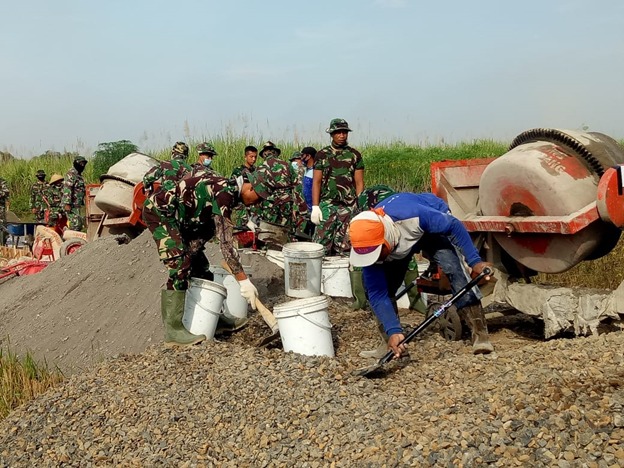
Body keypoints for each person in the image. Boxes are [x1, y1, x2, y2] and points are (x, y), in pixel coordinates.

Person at [348, 192, 495, 358]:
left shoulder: (413, 215)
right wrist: (393, 330)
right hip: (399, 242)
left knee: (454, 269)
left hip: (428, 230)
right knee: (380, 287)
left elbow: (454, 225)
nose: (373, 259)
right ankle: (392, 342)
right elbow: (377, 294)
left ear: (385, 239)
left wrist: (475, 261)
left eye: (377, 253)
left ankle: (481, 336)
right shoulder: (369, 246)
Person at [143, 170, 260, 347]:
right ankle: (173, 331)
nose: (257, 202)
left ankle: (215, 317)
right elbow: (226, 244)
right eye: (257, 197)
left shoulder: (230, 193)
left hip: (185, 219)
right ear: (249, 187)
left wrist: (194, 250)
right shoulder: (225, 193)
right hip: (161, 212)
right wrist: (243, 281)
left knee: (200, 266)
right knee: (180, 264)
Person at [311, 118, 365, 256]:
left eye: (344, 132)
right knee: (320, 246)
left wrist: (360, 205)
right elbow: (316, 181)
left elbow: (359, 182)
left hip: (348, 206)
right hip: (327, 205)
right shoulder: (322, 155)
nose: (342, 135)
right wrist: (315, 206)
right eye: (338, 132)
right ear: (332, 134)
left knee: (346, 246)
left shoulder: (354, 155)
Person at [246, 141, 309, 244]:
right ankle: (285, 246)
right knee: (286, 227)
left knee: (270, 226)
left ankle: (270, 246)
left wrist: (255, 210)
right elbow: (297, 186)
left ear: (264, 155)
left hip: (270, 202)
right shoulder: (286, 165)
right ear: (275, 152)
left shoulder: (260, 168)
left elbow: (258, 192)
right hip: (286, 199)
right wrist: (302, 207)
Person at [61, 155, 88, 231]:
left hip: (77, 204)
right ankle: (70, 239)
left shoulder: (79, 175)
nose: (82, 166)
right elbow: (67, 189)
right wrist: (67, 204)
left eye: (84, 164)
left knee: (79, 224)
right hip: (71, 205)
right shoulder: (71, 174)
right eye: (81, 163)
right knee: (75, 225)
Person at [0, 176, 9, 246]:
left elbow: (6, 192)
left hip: (1, 209)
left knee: (2, 227)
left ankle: (3, 244)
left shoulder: (2, 181)